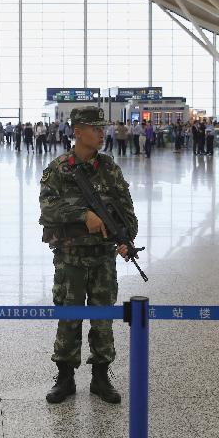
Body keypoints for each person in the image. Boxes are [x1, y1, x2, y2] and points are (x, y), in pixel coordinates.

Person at [39, 106, 138, 405]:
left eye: (102, 128)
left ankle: (100, 377)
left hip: (102, 259)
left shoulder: (110, 169)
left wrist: (125, 239)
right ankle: (65, 377)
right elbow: (47, 209)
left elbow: (127, 214)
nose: (101, 133)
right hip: (69, 259)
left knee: (103, 318)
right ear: (77, 131)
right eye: (95, 128)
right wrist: (84, 215)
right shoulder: (58, 169)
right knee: (69, 317)